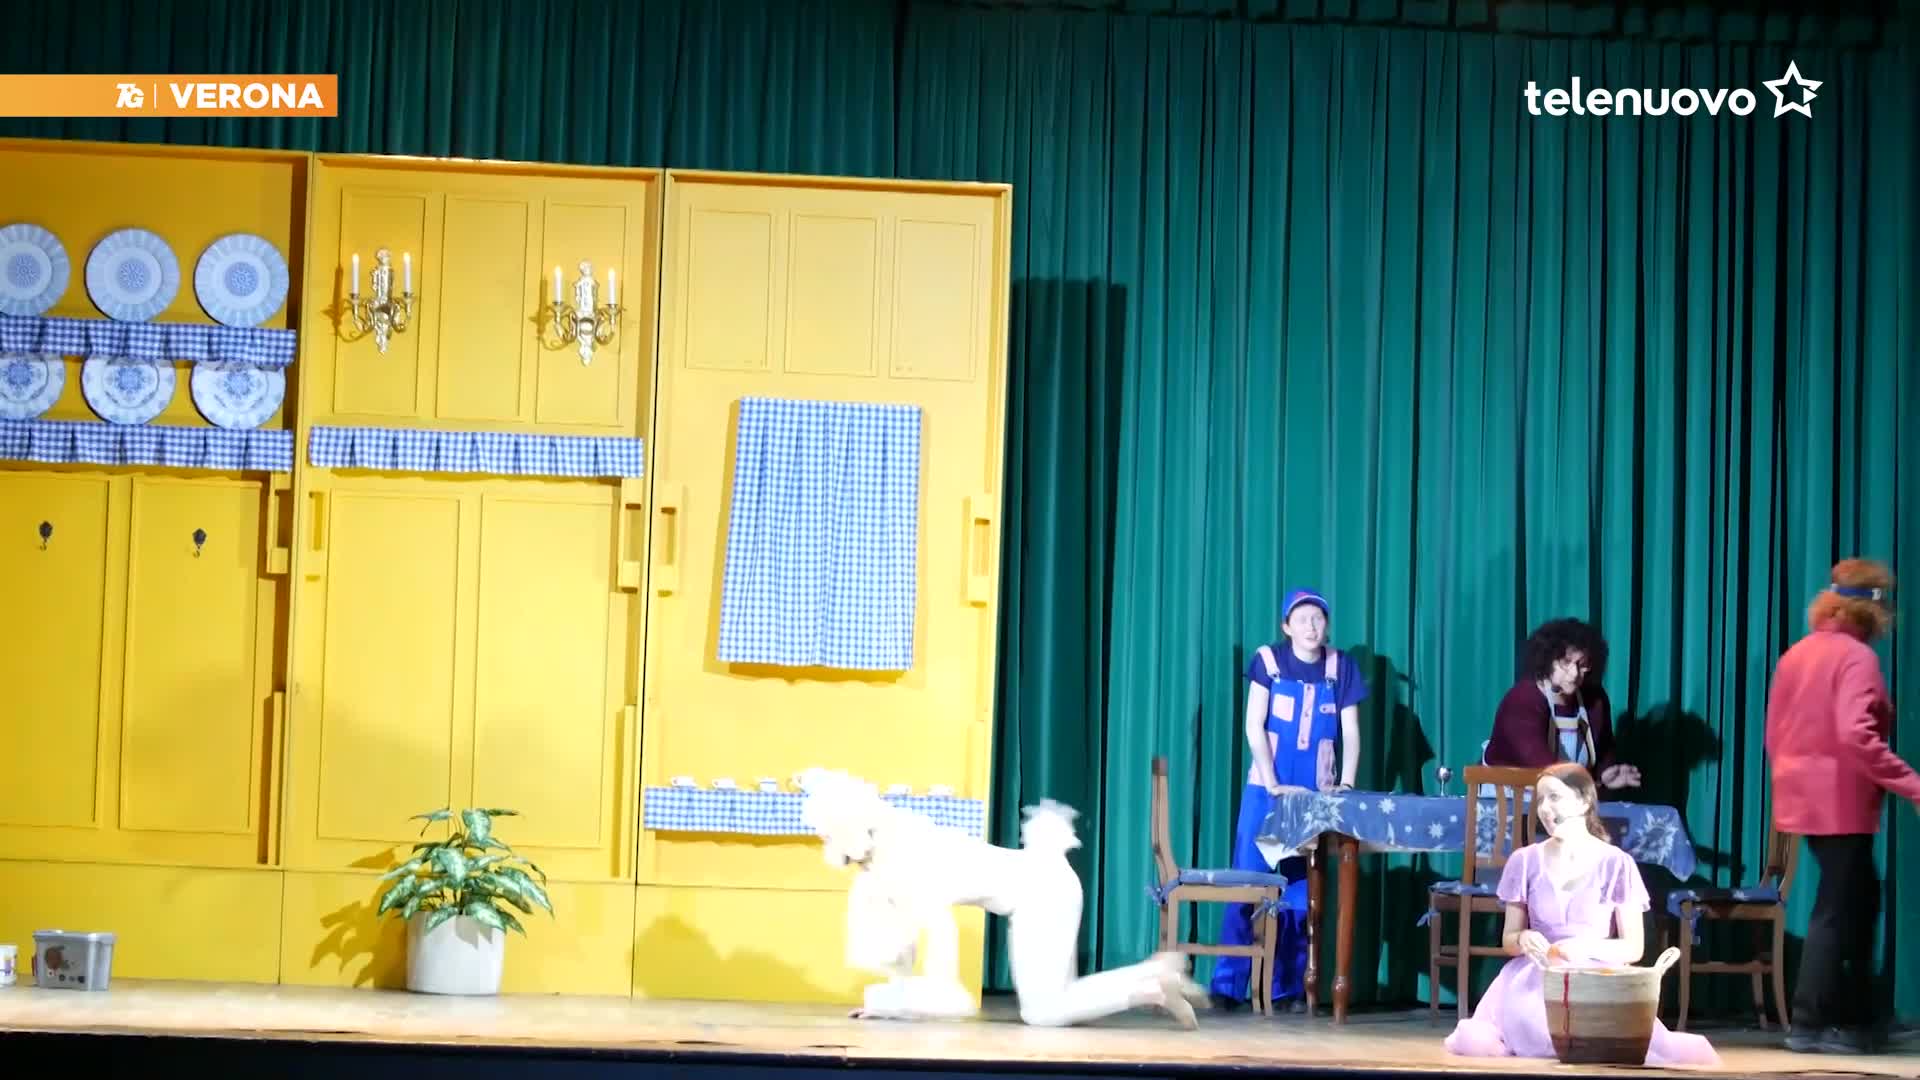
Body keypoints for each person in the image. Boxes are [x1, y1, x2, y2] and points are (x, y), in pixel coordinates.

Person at [1444, 762, 1720, 1067]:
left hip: (1594, 981)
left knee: (1595, 1032)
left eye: (1554, 797)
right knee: (1529, 1028)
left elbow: (1633, 948)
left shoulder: (1616, 863)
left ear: (1584, 801)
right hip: (1538, 978)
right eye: (1540, 800)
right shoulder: (1524, 861)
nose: (1545, 808)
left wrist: (1583, 948)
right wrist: (1523, 938)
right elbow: (1509, 940)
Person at [1765, 559, 1917, 1055]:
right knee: (1837, 906)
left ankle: (1860, 1015)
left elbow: (1774, 734)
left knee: (1859, 898)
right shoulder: (1856, 658)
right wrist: (1912, 785)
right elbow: (1857, 735)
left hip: (1805, 797)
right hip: (1840, 799)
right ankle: (1811, 1022)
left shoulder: (1797, 654)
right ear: (1871, 609)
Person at [1209, 588, 1367, 1008]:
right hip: (1266, 791)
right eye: (1302, 620)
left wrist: (1346, 784)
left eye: (1318, 619)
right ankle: (1227, 986)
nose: (1311, 627)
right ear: (1286, 627)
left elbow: (1351, 732)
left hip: (1314, 798)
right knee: (1247, 881)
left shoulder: (1341, 667)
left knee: (1301, 892)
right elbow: (1253, 725)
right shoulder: (1268, 661)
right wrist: (1272, 782)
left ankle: (1288, 989)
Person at [1483, 618, 1641, 792]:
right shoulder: (1521, 701)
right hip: (1510, 798)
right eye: (1566, 662)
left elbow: (1603, 747)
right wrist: (1590, 784)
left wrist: (1605, 773)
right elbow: (1540, 764)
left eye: (1583, 665)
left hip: (1565, 796)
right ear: (1547, 660)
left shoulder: (1595, 699)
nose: (1574, 674)